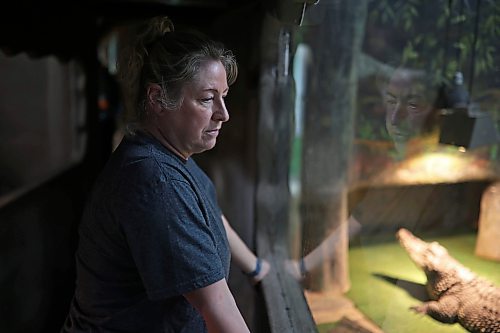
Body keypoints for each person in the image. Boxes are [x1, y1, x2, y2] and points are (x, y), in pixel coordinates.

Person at [61, 16, 269, 333]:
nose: (223, 114)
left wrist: (257, 269)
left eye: (224, 96)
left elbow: (209, 215)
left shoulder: (169, 154)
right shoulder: (155, 178)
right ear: (158, 98)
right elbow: (217, 307)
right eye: (206, 98)